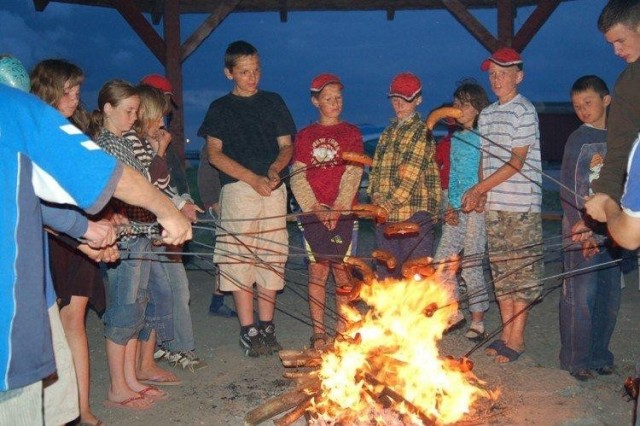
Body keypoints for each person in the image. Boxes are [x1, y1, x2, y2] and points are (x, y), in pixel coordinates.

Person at [0, 82, 191, 424]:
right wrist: (169, 212)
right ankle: (118, 385)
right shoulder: (15, 108)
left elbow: (33, 198)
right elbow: (112, 178)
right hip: (11, 310)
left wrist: (84, 232)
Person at [197, 40, 296, 357]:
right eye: (244, 72)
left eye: (256, 70)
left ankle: (267, 326)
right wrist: (251, 177)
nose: (252, 77)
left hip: (272, 186)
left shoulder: (273, 101)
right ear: (229, 73)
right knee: (238, 258)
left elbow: (286, 146)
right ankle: (248, 328)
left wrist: (274, 169)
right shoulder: (220, 108)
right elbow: (214, 154)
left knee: (271, 254)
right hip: (239, 189)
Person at [89, 79, 176, 409]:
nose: (134, 117)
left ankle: (129, 379)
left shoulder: (124, 141)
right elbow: (108, 189)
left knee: (136, 307)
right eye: (128, 111)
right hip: (123, 240)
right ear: (108, 109)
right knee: (123, 310)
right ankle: (117, 387)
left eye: (137, 111)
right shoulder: (105, 144)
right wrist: (113, 214)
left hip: (140, 235)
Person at [30, 58, 107, 426]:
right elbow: (37, 203)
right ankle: (50, 411)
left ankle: (81, 408)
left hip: (81, 230)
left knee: (74, 319)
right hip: (48, 238)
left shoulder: (78, 128)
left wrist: (107, 216)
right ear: (47, 89)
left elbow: (93, 180)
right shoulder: (31, 129)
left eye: (77, 90)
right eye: (68, 90)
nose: (75, 98)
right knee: (47, 325)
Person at [461, 47, 543, 364]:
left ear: (518, 76)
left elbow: (516, 161)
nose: (496, 79)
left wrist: (480, 188)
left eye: (503, 73)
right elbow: (485, 158)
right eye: (492, 74)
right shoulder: (490, 114)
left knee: (520, 271)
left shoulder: (525, 111)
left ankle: (517, 338)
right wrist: (481, 194)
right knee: (501, 272)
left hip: (521, 204)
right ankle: (506, 333)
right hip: (496, 204)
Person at [128, 83, 207, 371]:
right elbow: (148, 185)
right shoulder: (136, 145)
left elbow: (170, 185)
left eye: (167, 111)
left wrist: (184, 202)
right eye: (160, 112)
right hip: (147, 230)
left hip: (165, 226)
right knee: (153, 293)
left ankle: (178, 346)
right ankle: (164, 348)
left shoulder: (161, 143)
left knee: (177, 289)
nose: (164, 121)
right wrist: (160, 150)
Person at [290, 73, 364, 348]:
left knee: (342, 271)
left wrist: (339, 206)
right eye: (328, 98)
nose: (335, 103)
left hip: (343, 212)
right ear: (315, 101)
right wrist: (314, 207)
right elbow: (298, 174)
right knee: (317, 272)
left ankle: (343, 327)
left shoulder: (351, 132)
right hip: (314, 213)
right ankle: (318, 331)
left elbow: (354, 170)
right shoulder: (306, 135)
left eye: (338, 98)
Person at [559, 75, 622, 382]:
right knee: (580, 297)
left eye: (588, 102)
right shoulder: (578, 139)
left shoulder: (622, 138)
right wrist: (579, 227)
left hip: (614, 231)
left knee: (609, 298)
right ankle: (576, 359)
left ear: (606, 100)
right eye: (576, 105)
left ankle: (600, 355)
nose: (582, 110)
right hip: (580, 229)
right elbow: (568, 188)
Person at [367, 72, 441, 280]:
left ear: (418, 100)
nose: (399, 104)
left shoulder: (421, 132)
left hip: (414, 213)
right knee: (387, 274)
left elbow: (409, 178)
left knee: (414, 275)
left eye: (405, 100)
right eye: (395, 99)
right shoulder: (387, 132)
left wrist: (384, 207)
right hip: (385, 215)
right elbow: (376, 170)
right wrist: (374, 197)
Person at [434, 81, 490, 340]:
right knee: (442, 261)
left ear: (478, 108)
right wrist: (450, 207)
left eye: (464, 105)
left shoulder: (486, 136)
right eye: (455, 104)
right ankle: (452, 311)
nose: (457, 109)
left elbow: (485, 171)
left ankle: (478, 319)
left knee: (470, 265)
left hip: (477, 209)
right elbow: (453, 176)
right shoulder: (456, 138)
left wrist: (480, 195)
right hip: (457, 208)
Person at [591, 0, 640, 202]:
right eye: (611, 44)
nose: (616, 51)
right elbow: (620, 146)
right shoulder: (628, 83)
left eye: (620, 41)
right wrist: (604, 197)